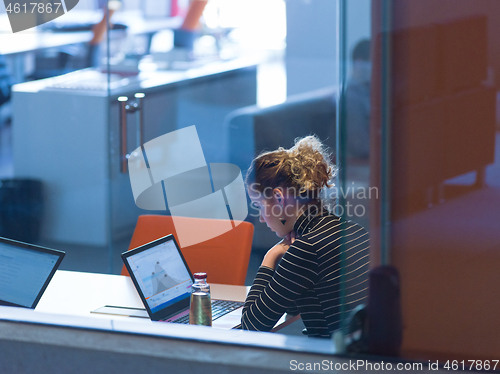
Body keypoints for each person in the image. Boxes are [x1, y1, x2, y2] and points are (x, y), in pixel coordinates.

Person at [242, 135, 370, 338]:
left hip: (334, 363)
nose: (262, 219)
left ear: (278, 197)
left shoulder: (307, 248)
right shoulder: (352, 230)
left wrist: (270, 258)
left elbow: (251, 325)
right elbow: (293, 303)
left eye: (259, 206)